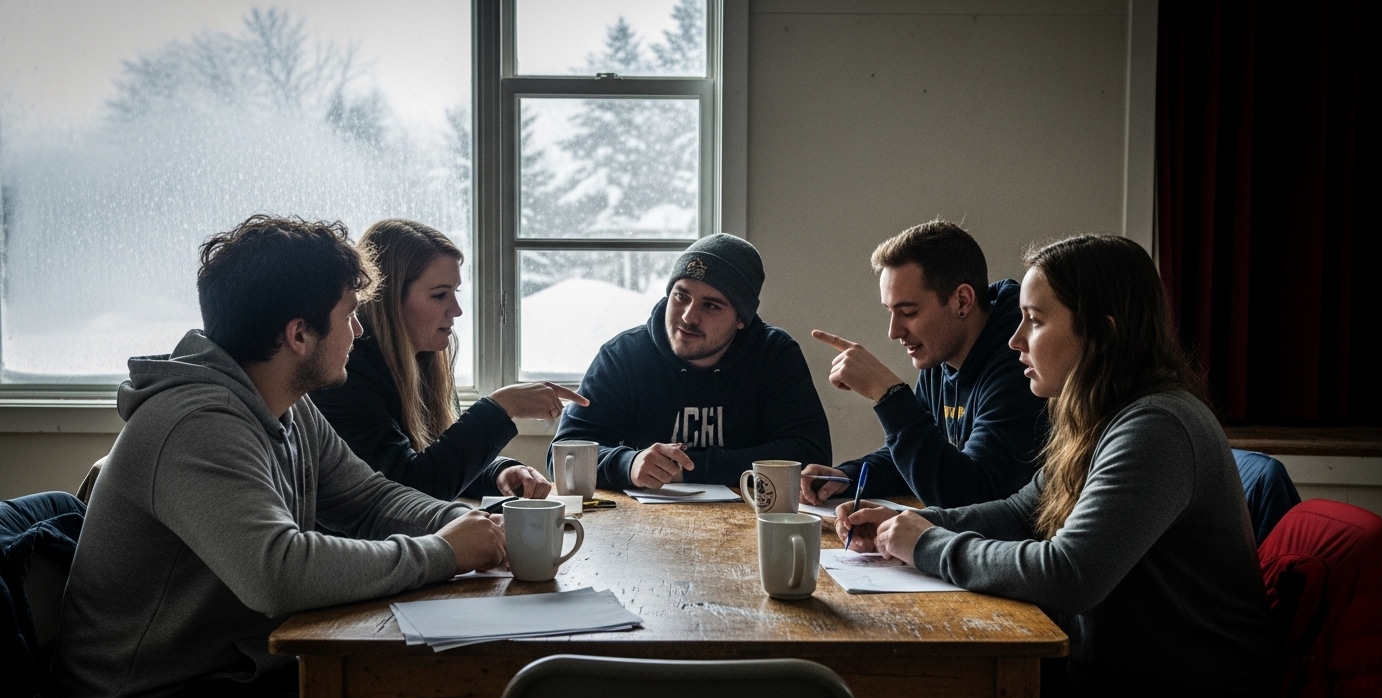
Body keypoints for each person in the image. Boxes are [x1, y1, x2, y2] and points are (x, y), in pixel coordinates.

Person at [52, 215, 507, 698]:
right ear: (298, 335)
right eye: (348, 316)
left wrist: (460, 522)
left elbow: (372, 499)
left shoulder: (287, 406)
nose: (359, 332)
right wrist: (442, 552)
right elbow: (277, 572)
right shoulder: (196, 424)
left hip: (235, 678)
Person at [837, 234, 1276, 698]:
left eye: (1036, 321)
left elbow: (1069, 574)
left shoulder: (1156, 426)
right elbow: (1024, 510)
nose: (1015, 340)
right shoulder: (1099, 416)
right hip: (1110, 685)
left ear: (1102, 334)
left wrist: (927, 543)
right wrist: (909, 524)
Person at [310, 219, 585, 501]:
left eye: (455, 292)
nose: (456, 310)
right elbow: (409, 490)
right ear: (388, 299)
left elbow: (438, 462)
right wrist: (501, 407)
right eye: (440, 295)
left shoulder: (425, 363)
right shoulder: (345, 375)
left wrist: (499, 472)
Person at [553, 233, 831, 490]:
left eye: (710, 305)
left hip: (748, 523)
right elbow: (565, 455)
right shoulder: (623, 355)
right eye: (681, 296)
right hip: (640, 529)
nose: (687, 316)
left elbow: (811, 456)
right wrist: (628, 464)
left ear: (741, 319)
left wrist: (693, 469)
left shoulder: (774, 354)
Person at [803, 219, 1045, 508]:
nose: (894, 331)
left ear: (962, 301)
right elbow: (924, 457)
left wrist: (889, 394)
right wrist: (847, 476)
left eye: (908, 312)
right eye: (890, 312)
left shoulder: (1021, 364)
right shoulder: (940, 355)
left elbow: (971, 495)